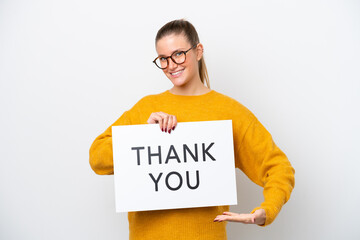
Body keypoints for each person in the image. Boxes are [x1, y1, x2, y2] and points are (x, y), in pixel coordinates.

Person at [89, 19, 295, 240]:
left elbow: (279, 168)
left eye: (178, 54)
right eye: (163, 59)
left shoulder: (230, 112)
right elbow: (97, 158)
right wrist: (142, 135)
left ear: (198, 51)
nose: (171, 65)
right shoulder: (146, 109)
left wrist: (266, 211)